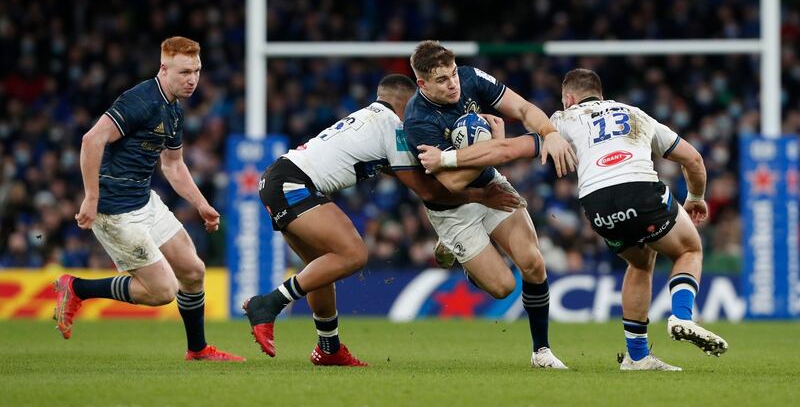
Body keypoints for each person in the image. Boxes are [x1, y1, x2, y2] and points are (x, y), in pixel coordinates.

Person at [418, 68, 729, 371]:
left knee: (639, 262)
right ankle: (683, 316)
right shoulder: (636, 114)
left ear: (568, 98)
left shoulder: (562, 121)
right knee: (689, 249)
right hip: (641, 190)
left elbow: (508, 149)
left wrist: (445, 157)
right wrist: (696, 198)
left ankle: (637, 356)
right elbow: (693, 159)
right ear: (600, 94)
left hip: (597, 206)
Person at [243, 74, 520, 365]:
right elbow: (426, 189)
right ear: (405, 102)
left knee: (322, 270)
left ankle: (329, 348)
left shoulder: (370, 118)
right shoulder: (394, 127)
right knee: (353, 253)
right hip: (294, 185)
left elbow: (401, 171)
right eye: (415, 104)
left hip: (279, 180)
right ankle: (268, 304)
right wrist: (480, 195)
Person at [54, 37, 244, 361]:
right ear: (163, 68)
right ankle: (76, 288)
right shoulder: (140, 100)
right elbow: (91, 140)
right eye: (184, 71)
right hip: (115, 210)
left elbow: (173, 164)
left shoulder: (174, 109)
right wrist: (91, 198)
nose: (192, 79)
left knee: (194, 271)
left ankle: (197, 350)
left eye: (197, 71)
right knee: (163, 292)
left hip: (144, 201)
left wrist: (201, 205)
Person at [403, 40, 576, 369]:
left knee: (533, 263)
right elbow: (453, 183)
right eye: (442, 80)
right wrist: (495, 146)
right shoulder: (417, 120)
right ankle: (459, 254)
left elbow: (523, 109)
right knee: (503, 287)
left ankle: (542, 352)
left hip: (490, 183)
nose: (453, 83)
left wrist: (549, 132)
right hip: (452, 205)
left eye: (453, 74)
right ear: (422, 84)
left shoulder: (470, 77)